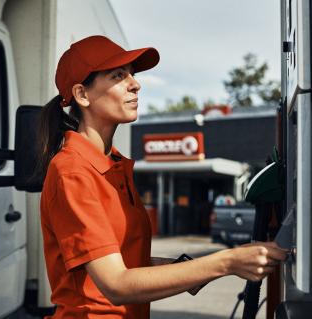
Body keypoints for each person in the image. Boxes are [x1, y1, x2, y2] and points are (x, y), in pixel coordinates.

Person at [37, 35, 287, 319]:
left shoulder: (113, 165)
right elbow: (116, 284)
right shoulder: (72, 170)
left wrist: (201, 268)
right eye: (118, 75)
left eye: (132, 74)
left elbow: (127, 263)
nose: (135, 83)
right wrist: (227, 261)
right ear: (82, 95)